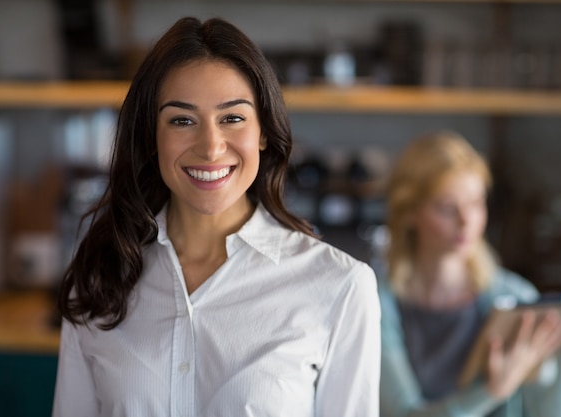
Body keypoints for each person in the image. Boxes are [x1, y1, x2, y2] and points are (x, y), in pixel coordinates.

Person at [52, 16, 381, 417]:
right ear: (151, 137)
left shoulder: (340, 288)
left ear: (263, 131)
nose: (210, 148)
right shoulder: (98, 275)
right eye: (182, 120)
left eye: (232, 118)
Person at [377, 131, 561, 417]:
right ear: (410, 212)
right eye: (447, 208)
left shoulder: (516, 299)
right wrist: (492, 392)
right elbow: (402, 414)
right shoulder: (379, 303)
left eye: (476, 204)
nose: (466, 221)